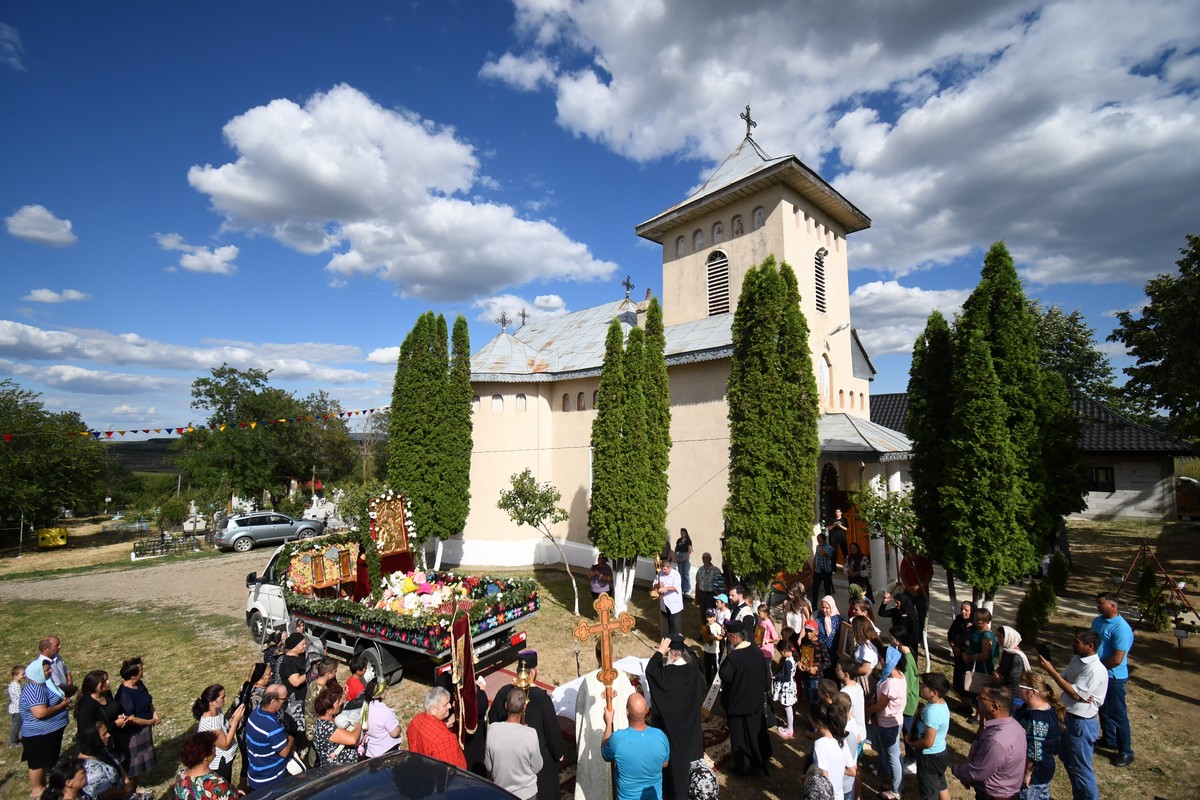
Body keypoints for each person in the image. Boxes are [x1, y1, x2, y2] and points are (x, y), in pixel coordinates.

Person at [1037, 630, 1107, 800]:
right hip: (1067, 719)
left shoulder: (1094, 670)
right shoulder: (1077, 659)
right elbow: (1066, 681)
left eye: (1077, 642)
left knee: (1082, 769)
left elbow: (1076, 695)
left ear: (1090, 646)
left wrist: (1051, 671)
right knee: (1068, 760)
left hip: (1081, 724)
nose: (1073, 644)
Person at [488, 652, 563, 800]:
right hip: (537, 770)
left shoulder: (504, 692)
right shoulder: (542, 699)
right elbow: (551, 731)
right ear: (533, 672)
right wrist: (559, 752)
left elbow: (492, 719)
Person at [645, 636, 705, 800]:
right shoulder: (693, 671)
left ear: (671, 654)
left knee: (675, 771)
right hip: (690, 730)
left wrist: (659, 652)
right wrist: (681, 643)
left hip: (672, 733)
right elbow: (693, 657)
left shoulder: (666, 676)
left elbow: (650, 670)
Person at [574, 642, 636, 800]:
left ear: (596, 655)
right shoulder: (622, 677)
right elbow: (633, 708)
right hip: (620, 738)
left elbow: (580, 716)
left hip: (597, 739)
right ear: (612, 653)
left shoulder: (588, 681)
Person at [718, 619, 773, 777]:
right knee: (756, 732)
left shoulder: (734, 658)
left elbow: (725, 675)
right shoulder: (756, 650)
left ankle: (742, 765)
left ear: (734, 637)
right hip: (755, 701)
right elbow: (765, 674)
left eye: (728, 637)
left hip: (739, 704)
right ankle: (762, 756)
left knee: (740, 737)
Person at [951, 685, 1025, 800]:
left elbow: (978, 772)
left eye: (981, 698)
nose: (977, 699)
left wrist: (957, 771)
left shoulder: (996, 741)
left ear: (995, 706)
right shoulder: (1016, 727)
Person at [1092, 591, 1134, 767]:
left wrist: (1098, 669)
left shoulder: (1121, 628)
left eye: (1101, 603)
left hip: (1114, 676)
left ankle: (1126, 751)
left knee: (1118, 713)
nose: (1098, 606)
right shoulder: (1098, 621)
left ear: (1113, 606)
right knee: (1103, 708)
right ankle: (1108, 739)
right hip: (1099, 672)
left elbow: (1117, 659)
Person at [601, 693, 670, 800]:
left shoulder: (617, 739)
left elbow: (605, 754)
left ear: (627, 712)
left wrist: (609, 723)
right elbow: (664, 763)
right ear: (647, 710)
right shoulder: (660, 736)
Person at [21, 657, 72, 797]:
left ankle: (43, 784)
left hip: (48, 731)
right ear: (36, 672)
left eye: (50, 668)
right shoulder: (34, 689)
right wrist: (62, 706)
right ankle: (37, 789)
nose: (50, 671)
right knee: (38, 762)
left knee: (44, 760)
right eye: (47, 670)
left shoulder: (44, 684)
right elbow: (40, 712)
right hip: (39, 733)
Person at [485, 688, 542, 799]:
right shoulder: (531, 734)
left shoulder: (492, 730)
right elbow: (537, 766)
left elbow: (488, 766)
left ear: (506, 706)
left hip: (501, 792)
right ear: (524, 707)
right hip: (527, 794)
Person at [1014, 671, 1063, 800]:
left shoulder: (1037, 719)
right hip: (1042, 768)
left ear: (1033, 692)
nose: (1018, 689)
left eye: (1022, 687)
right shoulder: (1035, 707)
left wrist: (1027, 775)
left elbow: (1034, 752)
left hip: (1035, 774)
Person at [865, 646, 905, 800]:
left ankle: (896, 790)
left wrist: (869, 709)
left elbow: (881, 705)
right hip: (893, 721)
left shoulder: (891, 684)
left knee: (893, 756)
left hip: (888, 724)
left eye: (882, 659)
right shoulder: (900, 676)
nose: (880, 662)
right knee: (894, 755)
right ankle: (897, 784)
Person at [114, 657, 158, 792]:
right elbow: (132, 718)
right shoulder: (124, 695)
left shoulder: (139, 684)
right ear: (132, 674)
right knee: (133, 764)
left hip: (144, 729)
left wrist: (154, 713)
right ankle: (130, 791)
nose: (143, 670)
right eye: (141, 669)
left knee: (140, 765)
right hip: (133, 734)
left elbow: (148, 699)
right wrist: (150, 721)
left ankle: (136, 786)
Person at [908, 673, 951, 800]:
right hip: (940, 753)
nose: (921, 687)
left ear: (934, 692)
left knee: (929, 793)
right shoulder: (941, 703)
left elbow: (928, 742)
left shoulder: (932, 713)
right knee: (941, 785)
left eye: (924, 686)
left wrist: (912, 744)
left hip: (929, 758)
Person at [245, 685, 293, 792]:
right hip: (272, 779)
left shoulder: (256, 712)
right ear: (273, 702)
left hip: (256, 774)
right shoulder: (271, 726)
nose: (286, 702)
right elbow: (284, 752)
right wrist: (291, 737)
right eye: (284, 699)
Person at [192, 684, 245, 783]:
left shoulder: (217, 711)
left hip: (226, 760)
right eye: (222, 697)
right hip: (220, 765)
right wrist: (235, 722)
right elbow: (225, 744)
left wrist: (233, 718)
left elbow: (224, 727)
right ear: (212, 702)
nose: (226, 698)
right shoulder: (210, 724)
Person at [407, 686, 466, 769]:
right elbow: (453, 772)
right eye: (445, 705)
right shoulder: (445, 740)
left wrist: (445, 724)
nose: (450, 706)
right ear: (433, 710)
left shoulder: (415, 721)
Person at [173, 731, 236, 800]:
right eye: (213, 746)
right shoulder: (217, 784)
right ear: (205, 756)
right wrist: (235, 794)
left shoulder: (180, 776)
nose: (215, 749)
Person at [810, 701, 855, 796]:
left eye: (810, 717)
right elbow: (852, 771)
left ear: (816, 722)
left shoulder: (820, 744)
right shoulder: (841, 740)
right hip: (839, 794)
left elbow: (824, 777)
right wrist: (836, 769)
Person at [77, 722, 129, 800]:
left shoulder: (101, 749)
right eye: (104, 734)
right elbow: (105, 794)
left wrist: (127, 783)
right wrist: (125, 791)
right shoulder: (89, 768)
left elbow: (116, 763)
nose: (108, 735)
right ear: (94, 739)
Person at [311, 686, 362, 767]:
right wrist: (358, 724)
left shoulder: (324, 721)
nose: (341, 703)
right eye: (338, 702)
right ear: (329, 710)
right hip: (339, 771)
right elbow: (352, 739)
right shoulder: (326, 727)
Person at [962, 608, 997, 722]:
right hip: (975, 665)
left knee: (981, 691)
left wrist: (971, 657)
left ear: (986, 620)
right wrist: (965, 654)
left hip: (983, 667)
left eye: (980, 620)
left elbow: (985, 655)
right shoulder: (977, 631)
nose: (977, 621)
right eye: (975, 619)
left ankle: (979, 715)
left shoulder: (986, 635)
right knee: (976, 691)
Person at [361, 680, 403, 757]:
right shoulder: (384, 711)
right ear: (379, 693)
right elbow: (394, 733)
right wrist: (399, 728)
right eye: (385, 689)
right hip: (386, 751)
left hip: (370, 751)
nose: (386, 691)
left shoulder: (364, 707)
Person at [992, 626, 1031, 709]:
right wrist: (996, 672)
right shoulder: (1007, 651)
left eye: (1000, 637)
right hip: (1004, 690)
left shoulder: (1016, 656)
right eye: (997, 636)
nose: (997, 639)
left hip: (1014, 695)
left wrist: (1000, 678)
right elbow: (1001, 667)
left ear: (1008, 638)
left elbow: (1014, 678)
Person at [277, 633, 309, 733]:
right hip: (296, 702)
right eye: (303, 644)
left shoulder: (301, 656)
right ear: (294, 646)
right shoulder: (288, 662)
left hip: (305, 698)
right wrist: (310, 673)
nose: (305, 646)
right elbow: (296, 681)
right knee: (299, 728)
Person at [947, 601, 976, 703]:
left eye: (966, 610)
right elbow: (951, 634)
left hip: (969, 659)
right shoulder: (959, 620)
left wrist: (966, 653)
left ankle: (969, 704)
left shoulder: (976, 625)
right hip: (958, 655)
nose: (963, 612)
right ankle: (964, 705)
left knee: (967, 682)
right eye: (962, 609)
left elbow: (977, 643)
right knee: (958, 681)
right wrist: (953, 646)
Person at [878, 584, 920, 653]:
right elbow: (881, 613)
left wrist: (903, 642)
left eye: (897, 603)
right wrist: (884, 603)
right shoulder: (896, 611)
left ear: (903, 603)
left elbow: (914, 635)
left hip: (908, 644)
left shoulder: (911, 615)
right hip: (896, 640)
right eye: (895, 602)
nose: (895, 605)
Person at [798, 619, 831, 705]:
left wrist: (816, 668)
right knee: (808, 697)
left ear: (816, 632)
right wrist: (799, 662)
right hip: (805, 674)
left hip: (816, 678)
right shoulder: (804, 641)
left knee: (815, 700)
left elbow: (827, 662)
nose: (808, 633)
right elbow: (801, 655)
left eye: (811, 631)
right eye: (806, 631)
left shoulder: (821, 645)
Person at [771, 641, 798, 737]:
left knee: (787, 707)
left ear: (784, 651)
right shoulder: (793, 658)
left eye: (781, 652)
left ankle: (790, 729)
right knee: (788, 707)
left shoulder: (787, 662)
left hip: (787, 686)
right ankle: (789, 726)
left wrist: (777, 677)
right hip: (790, 685)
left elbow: (786, 677)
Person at [652, 560, 684, 639]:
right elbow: (654, 585)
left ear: (669, 568)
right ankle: (665, 642)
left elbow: (675, 587)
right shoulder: (660, 574)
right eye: (662, 569)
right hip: (664, 603)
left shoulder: (676, 574)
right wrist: (658, 585)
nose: (663, 571)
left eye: (665, 569)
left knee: (675, 625)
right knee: (665, 625)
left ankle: (675, 643)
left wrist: (665, 588)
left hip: (674, 604)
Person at [815, 596, 842, 667]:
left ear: (831, 607)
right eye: (822, 607)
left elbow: (842, 637)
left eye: (827, 608)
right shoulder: (819, 617)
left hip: (834, 651)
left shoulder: (838, 620)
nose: (824, 610)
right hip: (821, 652)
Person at [700, 608, 724, 684]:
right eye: (707, 617)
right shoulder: (706, 625)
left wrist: (713, 637)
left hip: (715, 651)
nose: (709, 619)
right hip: (707, 650)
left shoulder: (717, 626)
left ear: (715, 617)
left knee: (716, 667)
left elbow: (721, 637)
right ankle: (707, 681)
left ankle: (717, 682)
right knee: (707, 667)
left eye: (710, 617)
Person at [810, 533, 834, 604]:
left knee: (827, 589)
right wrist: (813, 570)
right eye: (817, 539)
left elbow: (822, 554)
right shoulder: (818, 546)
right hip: (818, 571)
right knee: (815, 588)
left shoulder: (829, 547)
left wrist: (820, 545)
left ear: (823, 539)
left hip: (826, 571)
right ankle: (814, 605)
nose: (817, 540)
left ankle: (828, 603)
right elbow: (816, 558)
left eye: (819, 539)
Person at [674, 529, 694, 597]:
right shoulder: (679, 540)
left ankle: (687, 589)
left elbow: (689, 551)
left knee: (686, 573)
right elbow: (676, 550)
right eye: (681, 533)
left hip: (686, 556)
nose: (681, 534)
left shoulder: (688, 541)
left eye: (683, 533)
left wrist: (684, 558)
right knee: (680, 573)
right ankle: (681, 588)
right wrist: (676, 557)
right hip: (679, 555)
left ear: (685, 533)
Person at [9, 665, 24, 748]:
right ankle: (13, 742)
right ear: (15, 676)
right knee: (16, 726)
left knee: (20, 725)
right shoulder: (15, 686)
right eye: (22, 674)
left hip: (17, 709)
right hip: (17, 711)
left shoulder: (16, 685)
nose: (24, 676)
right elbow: (20, 699)